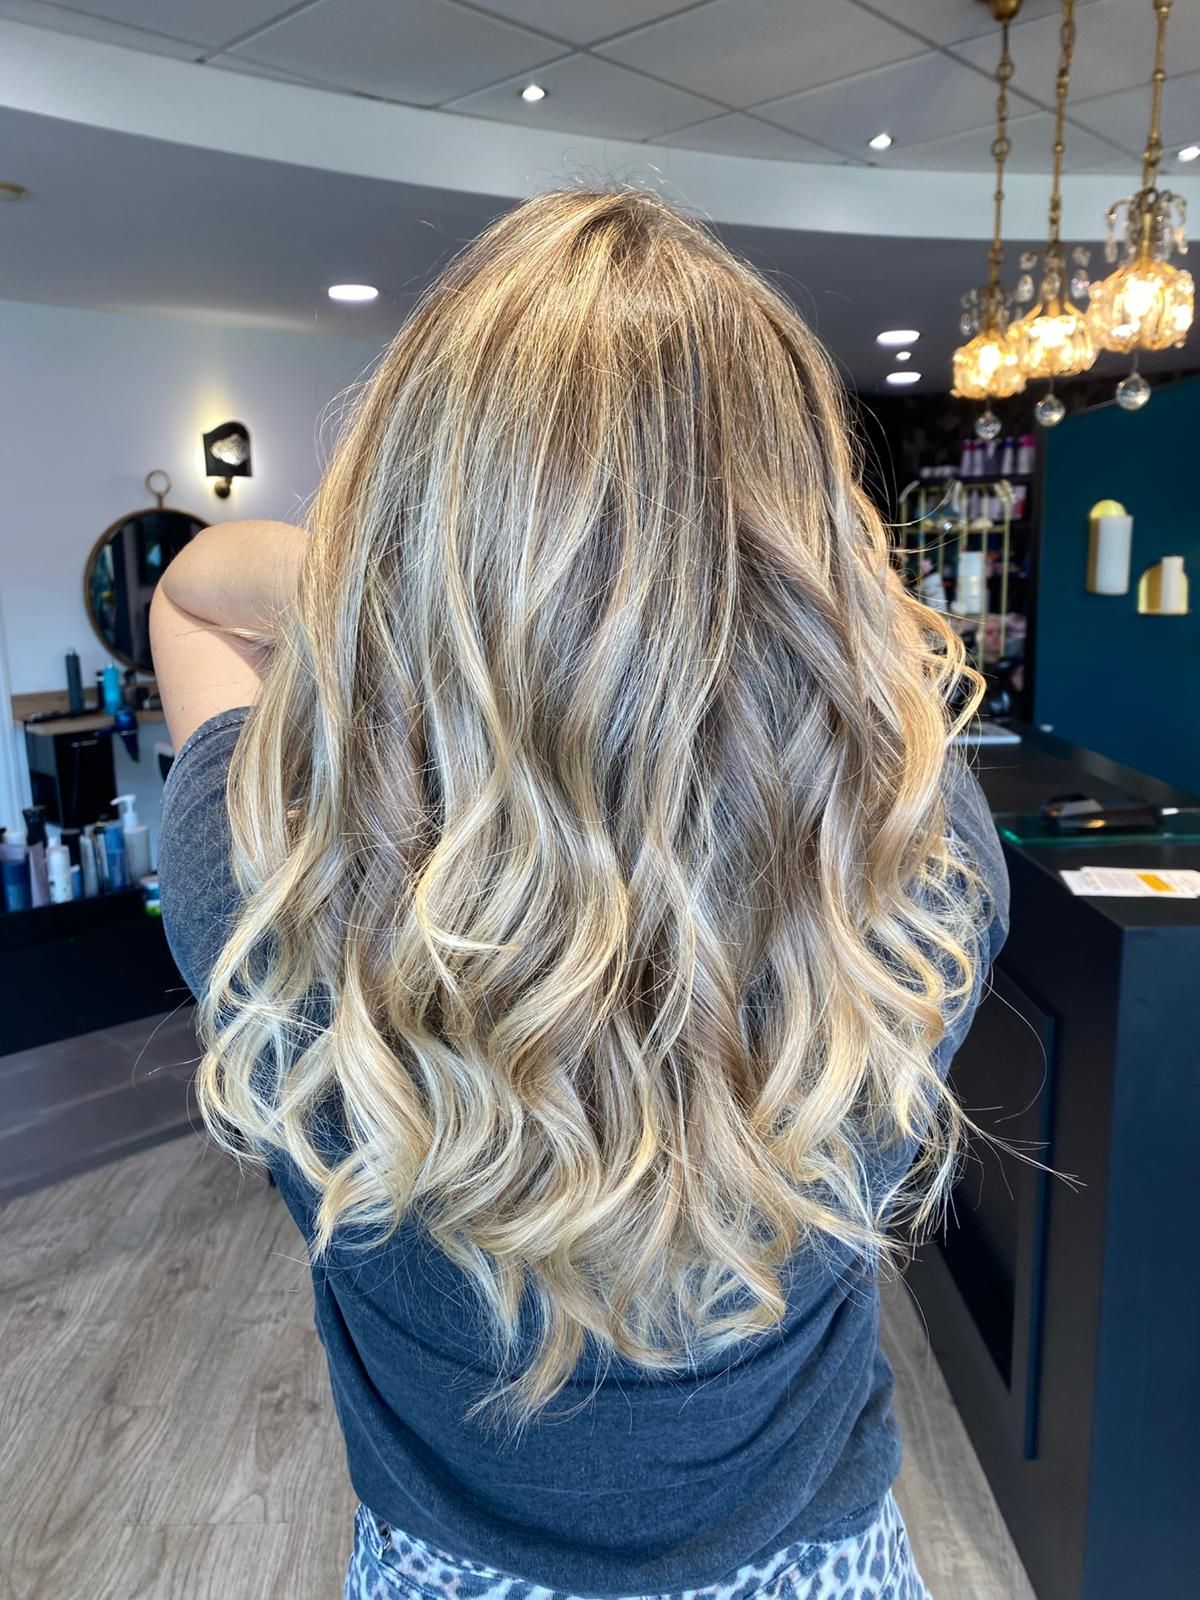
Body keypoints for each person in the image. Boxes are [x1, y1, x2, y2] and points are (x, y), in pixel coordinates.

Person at [152, 187, 1008, 1600]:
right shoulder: (918, 881)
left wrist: (405, 601)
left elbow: (191, 596)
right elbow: (876, 659)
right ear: (799, 559)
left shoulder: (269, 891)